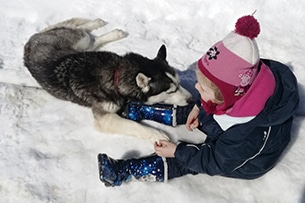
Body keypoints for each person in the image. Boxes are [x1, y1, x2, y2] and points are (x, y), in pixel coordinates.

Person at [97, 15, 299, 187]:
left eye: (203, 86)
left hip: (243, 161)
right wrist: (200, 106)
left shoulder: (247, 134)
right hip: (232, 125)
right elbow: (220, 96)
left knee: (190, 160)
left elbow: (214, 161)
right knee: (197, 108)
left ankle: (124, 171)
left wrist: (177, 151)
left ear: (227, 96)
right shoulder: (240, 85)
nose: (195, 87)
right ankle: (143, 111)